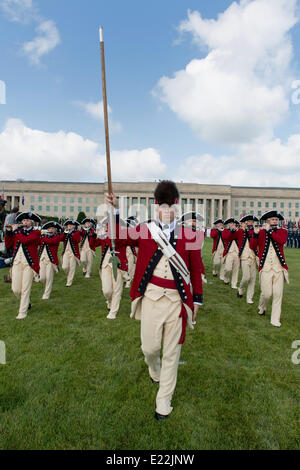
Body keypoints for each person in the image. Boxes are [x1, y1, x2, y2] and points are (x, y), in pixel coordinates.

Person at [106, 180, 203, 420]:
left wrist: (197, 301)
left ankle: (164, 400)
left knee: (172, 352)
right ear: (155, 206)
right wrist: (116, 210)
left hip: (176, 301)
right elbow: (116, 237)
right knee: (149, 348)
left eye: (170, 206)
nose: (166, 211)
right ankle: (153, 367)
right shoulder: (144, 230)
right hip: (150, 297)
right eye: (162, 206)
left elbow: (196, 269)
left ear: (177, 206)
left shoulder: (190, 235)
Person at [250, 210, 288, 327]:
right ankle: (262, 306)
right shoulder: (261, 232)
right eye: (272, 219)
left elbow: (281, 241)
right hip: (265, 266)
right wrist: (255, 234)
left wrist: (270, 231)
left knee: (277, 294)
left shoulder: (282, 231)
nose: (275, 221)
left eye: (276, 220)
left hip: (278, 267)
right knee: (266, 294)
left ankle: (275, 319)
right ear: (267, 221)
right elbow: (252, 246)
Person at [4, 211, 41, 320]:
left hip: (29, 264)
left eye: (27, 220)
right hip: (16, 263)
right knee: (16, 289)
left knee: (25, 288)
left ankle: (22, 311)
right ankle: (27, 301)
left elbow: (25, 240)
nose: (25, 222)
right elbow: (8, 244)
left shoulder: (36, 233)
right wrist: (8, 232)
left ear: (32, 222)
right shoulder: (18, 232)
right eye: (23, 220)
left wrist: (15, 231)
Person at [98, 218, 129, 319]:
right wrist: (94, 234)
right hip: (105, 264)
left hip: (118, 265)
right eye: (107, 226)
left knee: (117, 289)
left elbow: (113, 242)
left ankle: (113, 311)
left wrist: (105, 234)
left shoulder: (122, 235)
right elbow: (92, 244)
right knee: (106, 290)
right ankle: (109, 300)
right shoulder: (104, 235)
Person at [236, 215, 258, 304]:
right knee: (246, 277)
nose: (250, 223)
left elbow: (254, 238)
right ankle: (241, 288)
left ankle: (249, 297)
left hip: (253, 256)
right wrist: (241, 228)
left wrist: (246, 230)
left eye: (252, 221)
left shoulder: (255, 231)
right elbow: (234, 236)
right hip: (244, 256)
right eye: (248, 221)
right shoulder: (241, 231)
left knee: (252, 278)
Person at [39, 221, 62, 300]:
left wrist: (43, 236)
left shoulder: (57, 236)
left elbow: (51, 242)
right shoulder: (44, 236)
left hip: (51, 260)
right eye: (49, 228)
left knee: (49, 277)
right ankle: (47, 287)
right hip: (42, 258)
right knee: (42, 278)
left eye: (52, 228)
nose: (51, 230)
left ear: (55, 230)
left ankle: (46, 294)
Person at [61, 219, 81, 287]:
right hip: (66, 252)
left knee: (72, 268)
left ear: (74, 226)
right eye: (68, 225)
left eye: (71, 225)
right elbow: (61, 239)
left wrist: (71, 234)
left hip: (73, 253)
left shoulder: (77, 232)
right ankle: (69, 275)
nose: (69, 226)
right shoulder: (65, 232)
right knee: (64, 267)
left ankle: (69, 282)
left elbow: (77, 240)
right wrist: (64, 233)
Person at [221, 218, 240, 289]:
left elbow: (239, 237)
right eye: (231, 224)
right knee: (227, 268)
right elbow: (226, 237)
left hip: (237, 252)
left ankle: (234, 284)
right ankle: (226, 278)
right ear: (228, 224)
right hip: (229, 252)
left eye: (233, 224)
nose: (232, 225)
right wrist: (232, 231)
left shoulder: (238, 231)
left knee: (236, 270)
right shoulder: (226, 231)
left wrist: (237, 231)